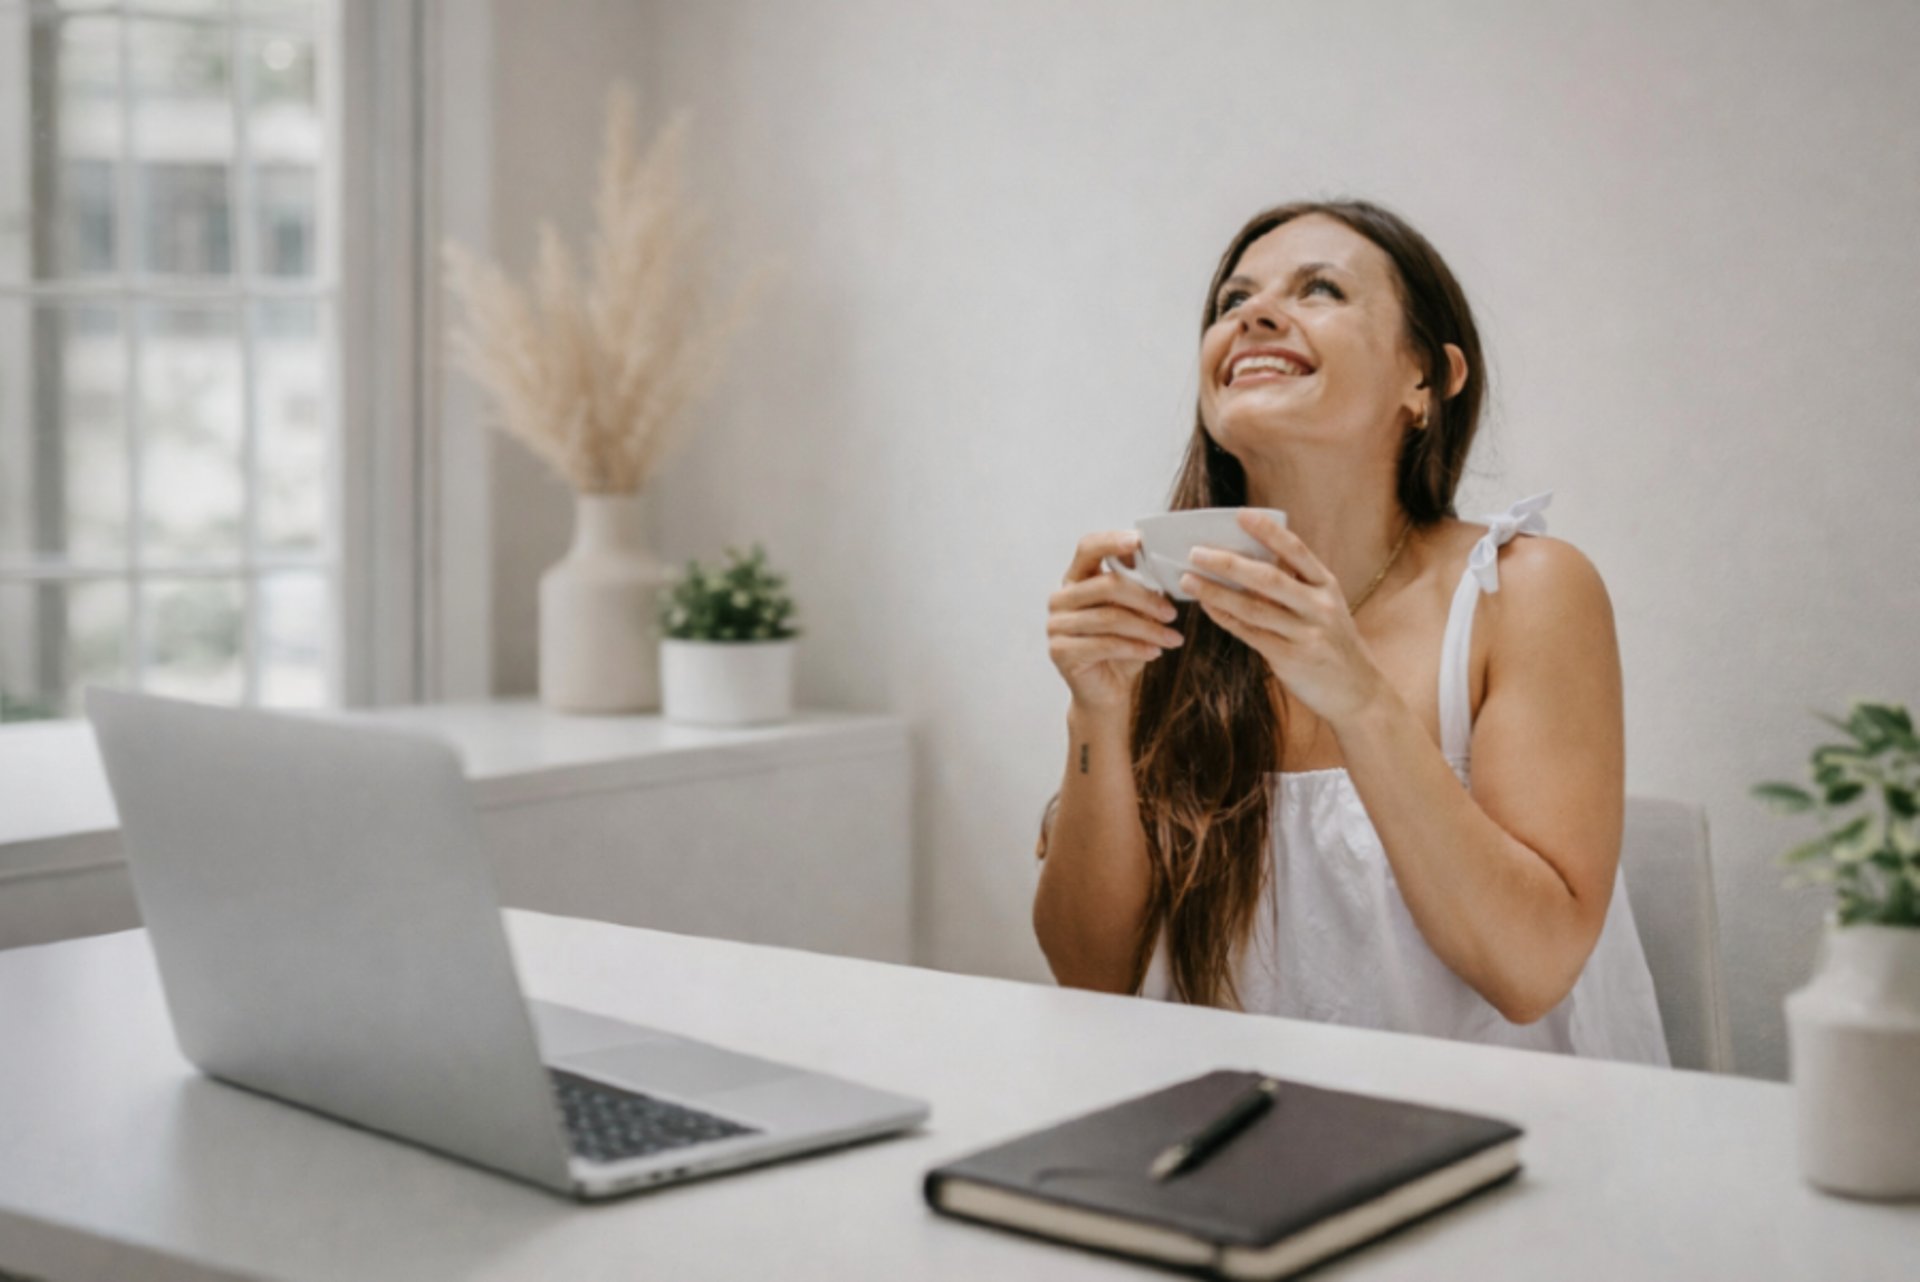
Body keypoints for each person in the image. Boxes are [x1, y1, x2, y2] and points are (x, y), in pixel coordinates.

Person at [1033, 198, 1669, 1066]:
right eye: (1232, 300)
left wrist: (1359, 696)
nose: (1254, 314)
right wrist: (1096, 715)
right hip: (1235, 1117)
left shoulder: (1523, 591)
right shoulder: (1161, 609)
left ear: (1426, 379)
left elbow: (1530, 973)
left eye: (1320, 289)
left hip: (1501, 1124)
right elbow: (1092, 976)